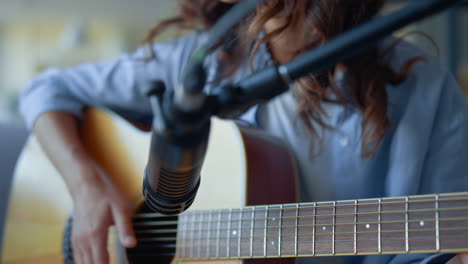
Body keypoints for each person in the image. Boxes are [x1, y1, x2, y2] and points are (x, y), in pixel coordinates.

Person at [19, 0, 468, 263]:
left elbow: (440, 250)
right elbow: (44, 91)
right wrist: (85, 184)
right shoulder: (201, 61)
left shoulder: (426, 90)